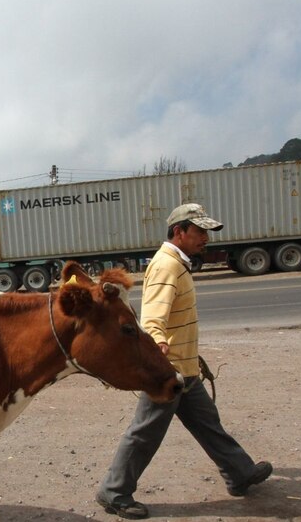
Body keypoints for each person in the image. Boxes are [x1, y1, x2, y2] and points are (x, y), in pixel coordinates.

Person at [96, 203, 272, 519]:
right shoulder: (167, 265)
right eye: (200, 231)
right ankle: (114, 492)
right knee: (145, 432)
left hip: (185, 367)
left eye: (207, 231)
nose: (206, 237)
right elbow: (152, 317)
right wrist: (159, 346)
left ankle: (239, 473)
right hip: (169, 372)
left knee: (208, 423)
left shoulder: (179, 262)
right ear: (180, 232)